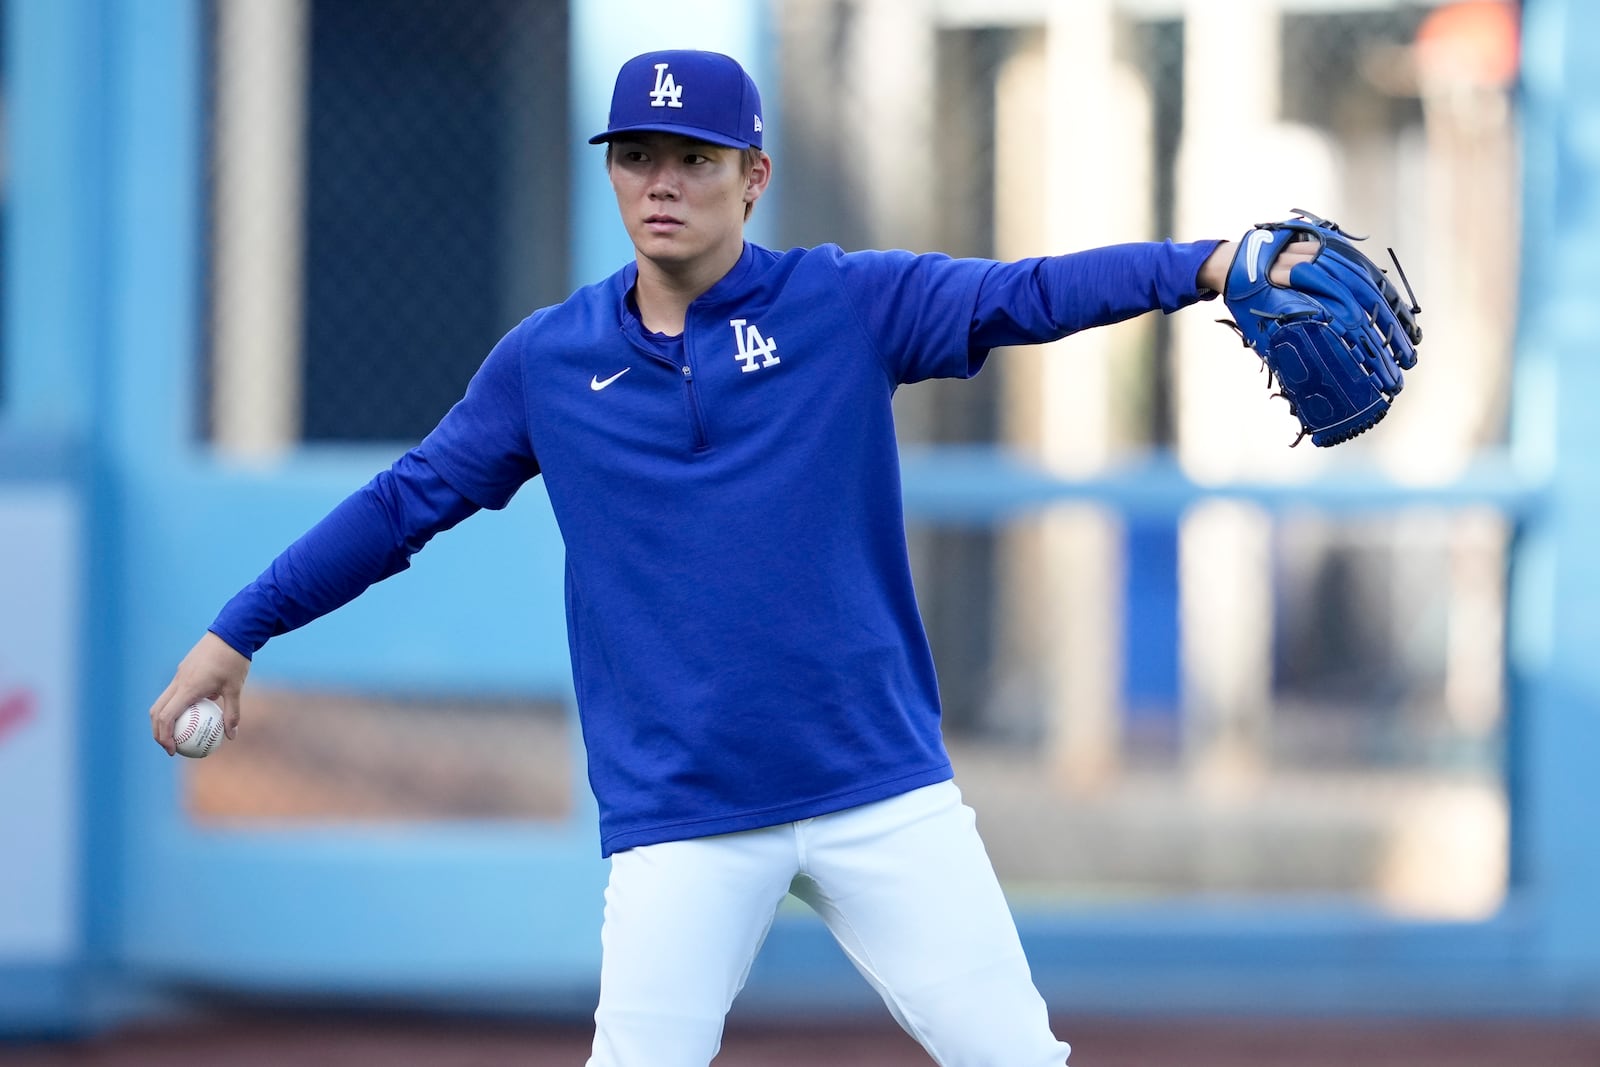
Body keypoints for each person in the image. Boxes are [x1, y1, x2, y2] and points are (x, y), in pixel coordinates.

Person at [149, 48, 1311, 1067]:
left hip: (876, 786)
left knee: (1011, 1054)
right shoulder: (547, 363)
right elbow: (406, 502)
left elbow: (1027, 294)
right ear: (610, 171)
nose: (662, 182)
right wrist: (237, 627)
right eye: (637, 154)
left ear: (752, 176)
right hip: (683, 812)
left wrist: (1210, 264)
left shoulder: (846, 304)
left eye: (694, 158)